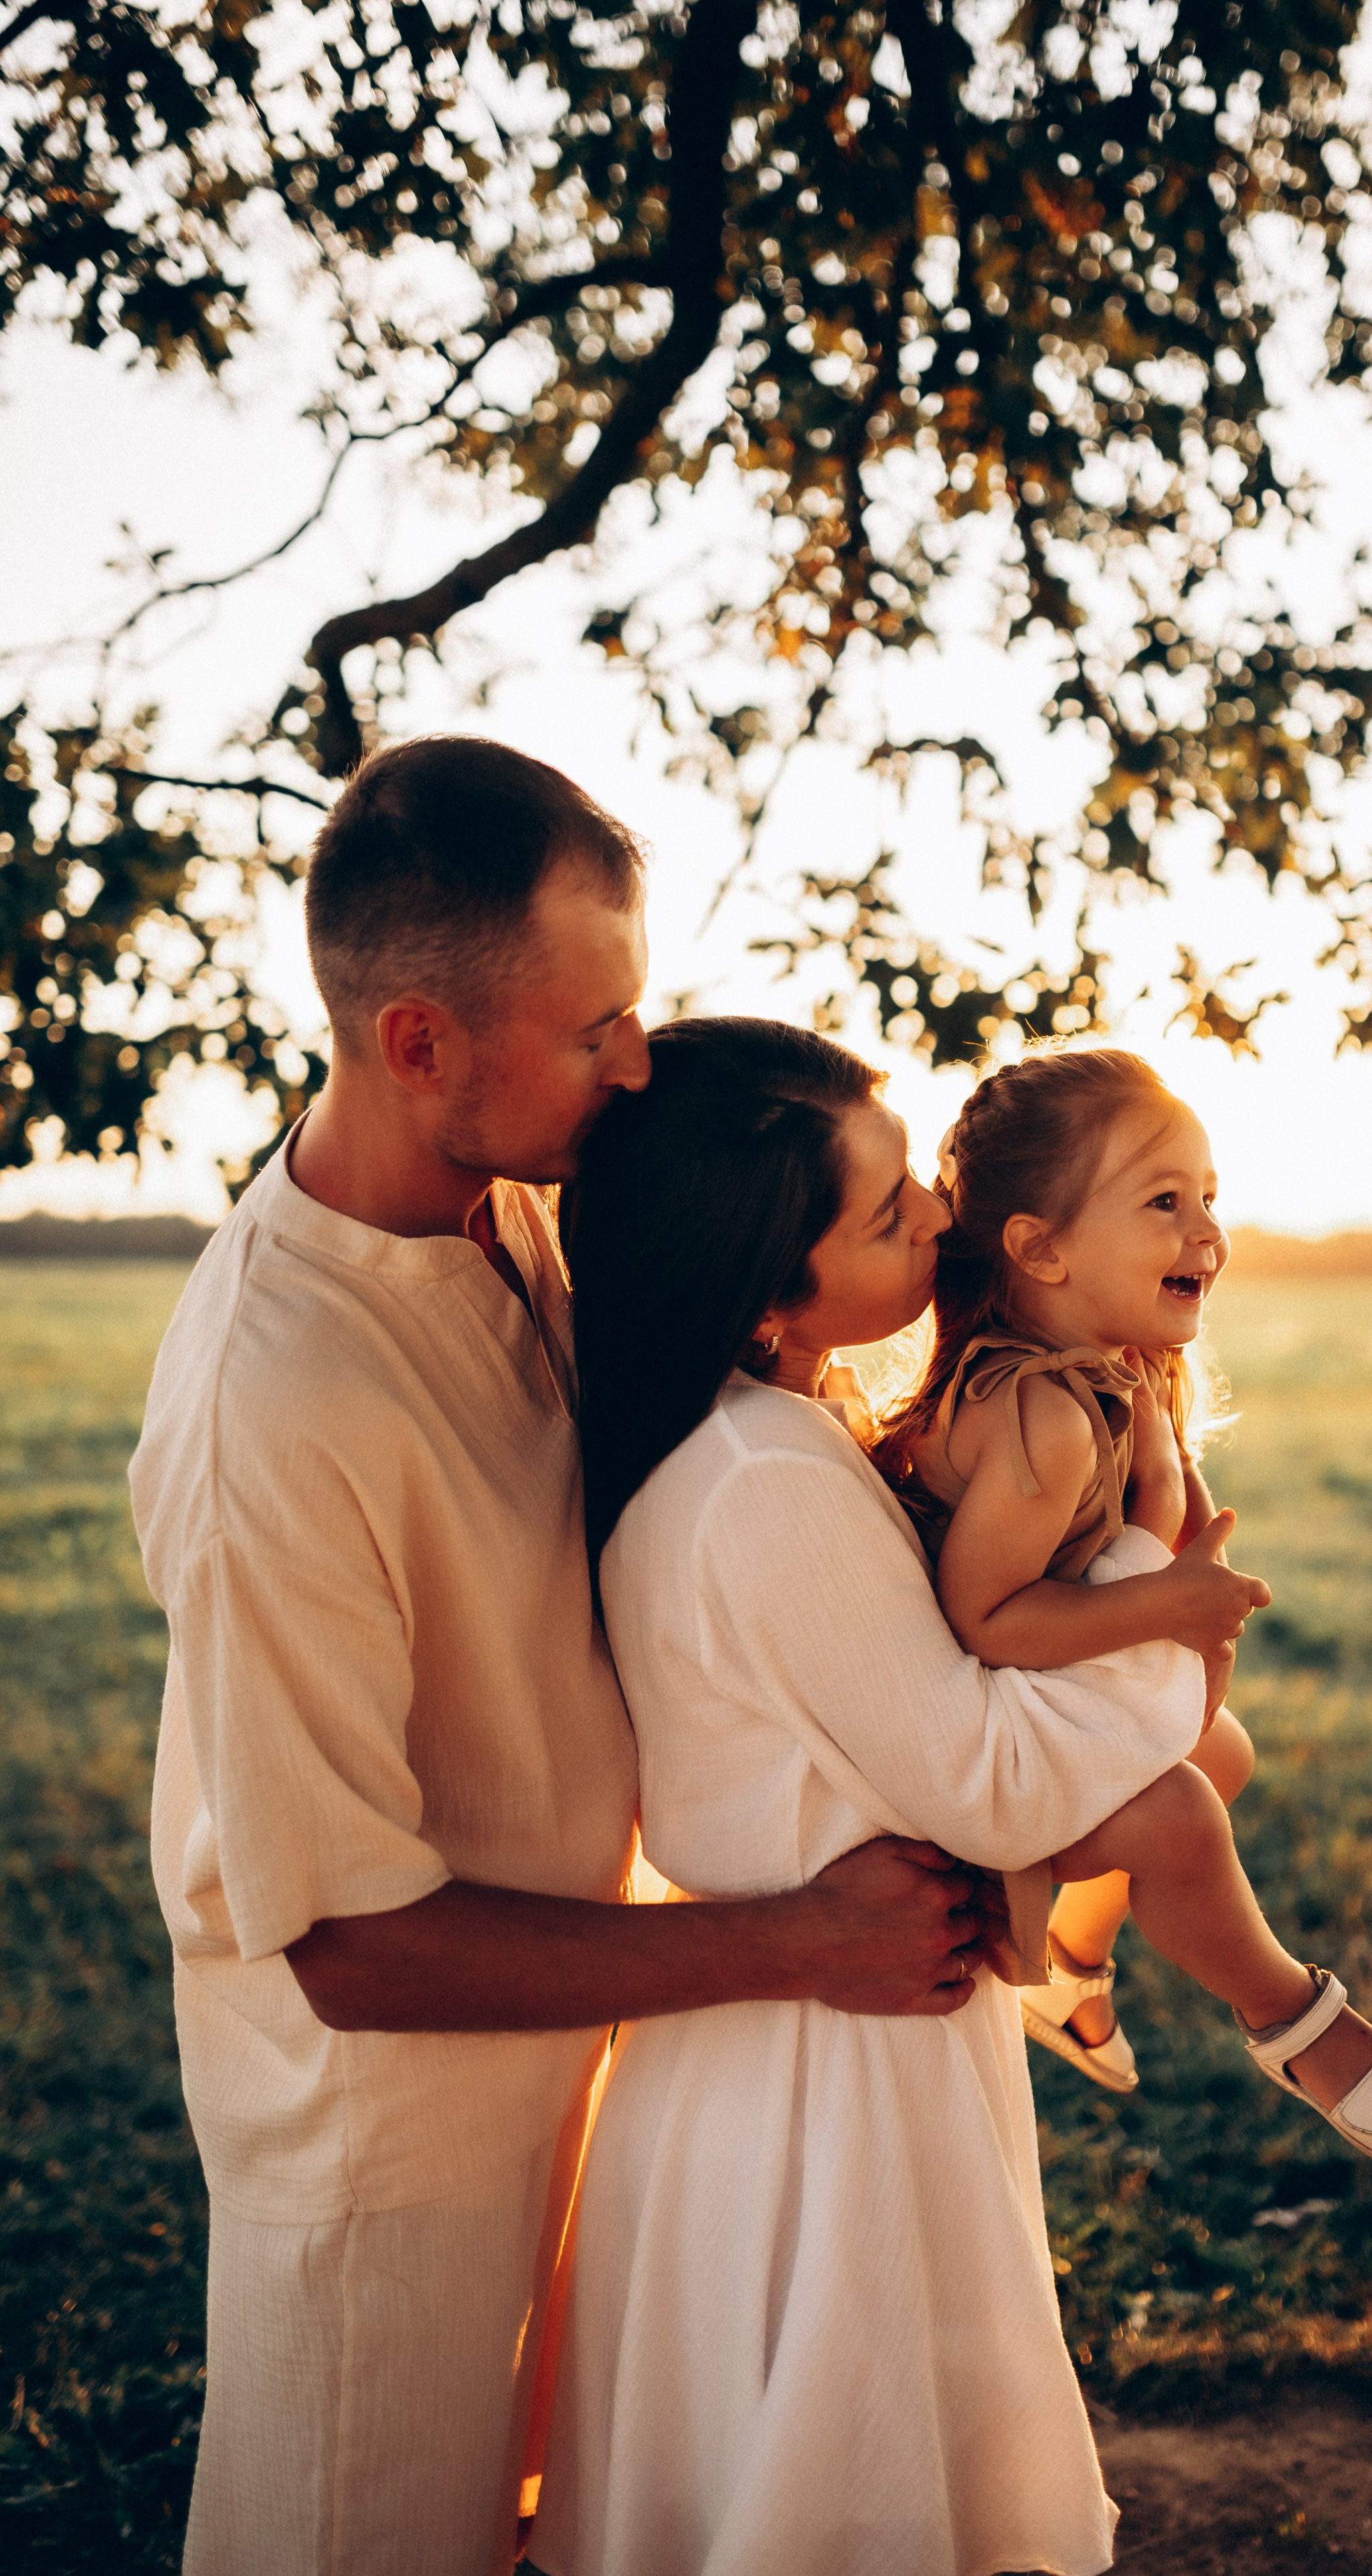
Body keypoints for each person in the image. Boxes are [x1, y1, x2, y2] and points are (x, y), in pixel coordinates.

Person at [130, 739, 989, 2576]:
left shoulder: (520, 1208)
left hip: (586, 2064)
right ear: (417, 1042)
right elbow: (350, 1947)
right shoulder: (271, 1406)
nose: (638, 1064)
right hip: (387, 2173)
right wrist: (797, 1940)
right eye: (595, 1027)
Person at [527, 1018, 1222, 2576]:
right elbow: (986, 1784)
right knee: (844, 2496)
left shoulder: (771, 1436)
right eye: (889, 1207)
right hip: (820, 2085)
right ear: (768, 1294)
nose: (938, 1213)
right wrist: (1158, 1594)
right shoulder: (766, 1477)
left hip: (812, 2034)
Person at [876, 1045, 1372, 2164]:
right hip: (957, 1742)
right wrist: (1170, 1607)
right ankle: (1298, 2025)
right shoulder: (1040, 1415)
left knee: (1221, 1751)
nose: (1208, 1232)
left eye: (1210, 1197)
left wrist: (1171, 1527)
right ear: (1039, 1248)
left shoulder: (1115, 1378)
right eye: (1165, 1202)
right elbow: (984, 1622)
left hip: (1030, 1700)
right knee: (1180, 1815)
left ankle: (1072, 1968)